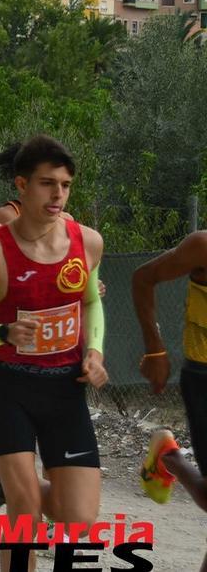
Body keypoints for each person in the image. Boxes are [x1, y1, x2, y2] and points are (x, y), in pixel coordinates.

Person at [0, 135, 107, 572]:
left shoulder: (87, 242)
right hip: (9, 386)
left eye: (66, 185)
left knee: (78, 522)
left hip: (66, 388)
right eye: (47, 184)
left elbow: (90, 302)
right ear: (20, 185)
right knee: (27, 516)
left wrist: (95, 351)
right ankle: (20, 489)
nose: (58, 195)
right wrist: (2, 331)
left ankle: (15, 481)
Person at [131, 230, 207, 572]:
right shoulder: (202, 246)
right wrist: (155, 349)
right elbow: (143, 278)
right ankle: (169, 457)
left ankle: (169, 457)